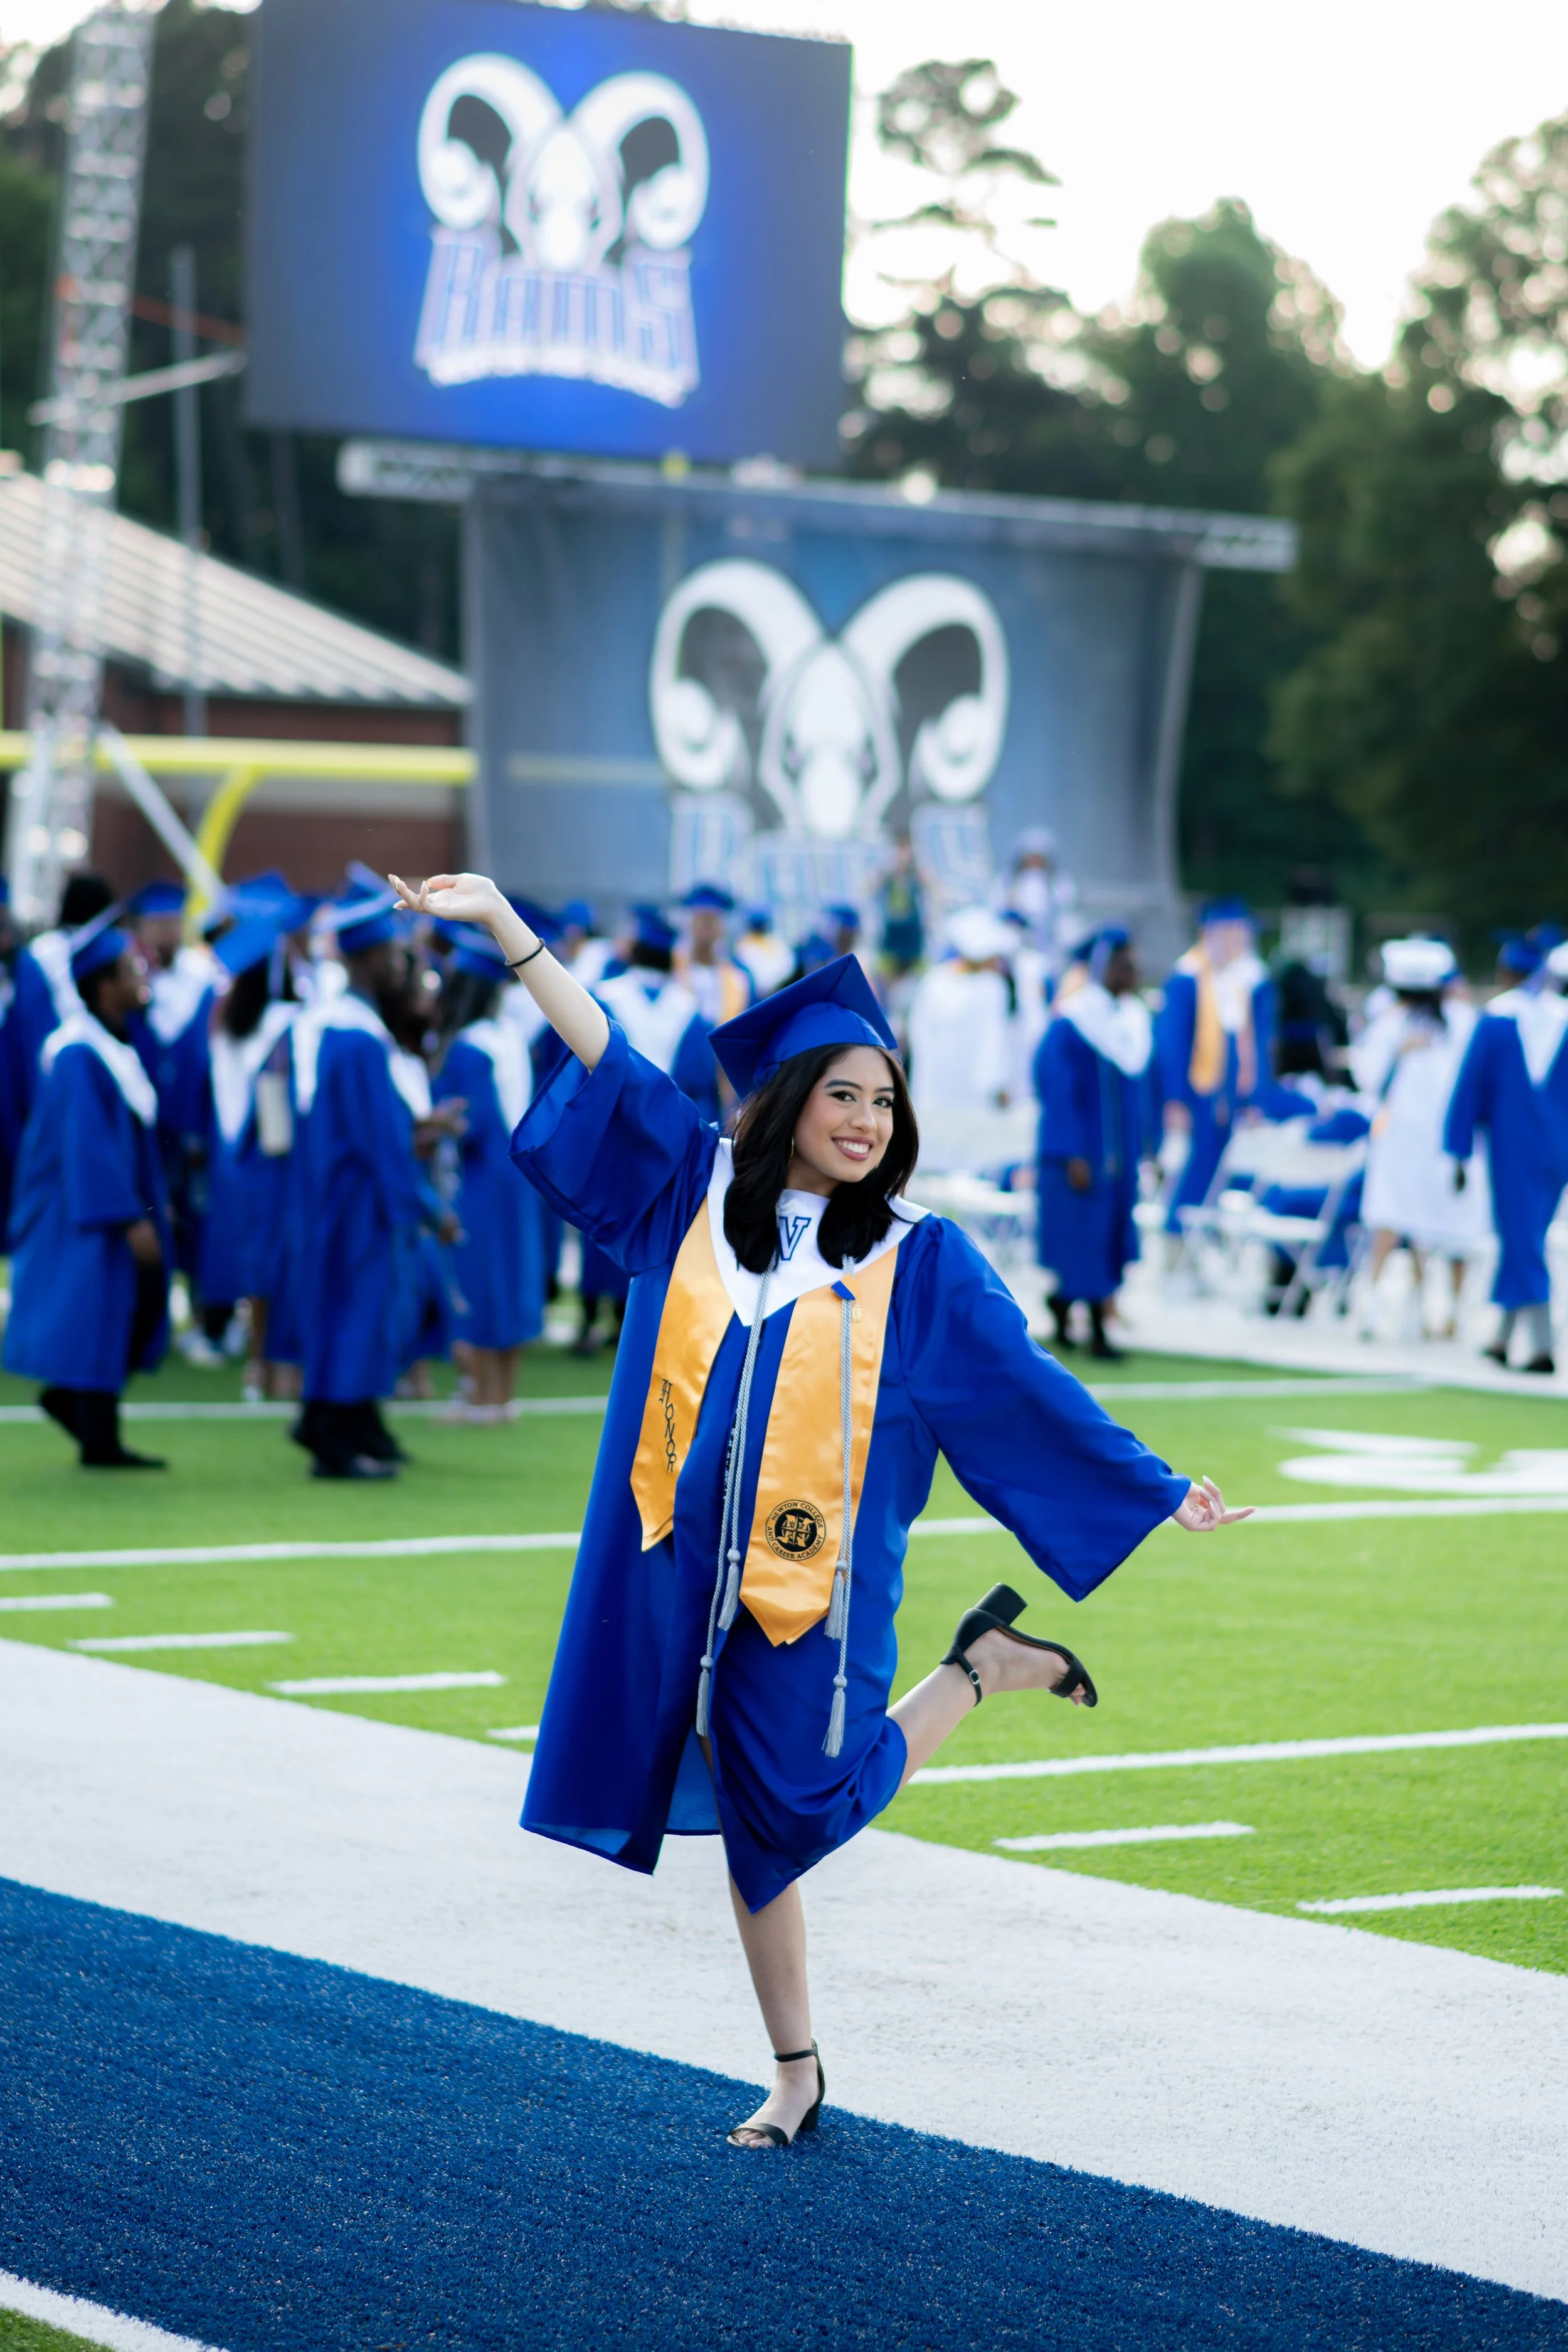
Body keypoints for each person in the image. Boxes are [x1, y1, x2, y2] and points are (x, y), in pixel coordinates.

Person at [390, 867, 1250, 2153]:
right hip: (678, 1571)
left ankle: (977, 1672)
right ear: (787, 1103)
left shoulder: (917, 1256)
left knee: (790, 1805)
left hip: (817, 1589)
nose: (864, 1117)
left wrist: (1150, 1483)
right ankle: (795, 2071)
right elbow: (608, 1059)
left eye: (883, 1099)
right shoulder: (693, 1197)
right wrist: (508, 928)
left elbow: (1025, 1389)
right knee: (749, 1827)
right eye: (841, 1093)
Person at [3, 919, 171, 1468]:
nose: (141, 975)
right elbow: (89, 1146)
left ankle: (84, 1417)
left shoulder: (110, 1045)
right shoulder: (78, 1053)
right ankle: (96, 1434)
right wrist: (130, 1217)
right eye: (130, 970)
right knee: (100, 1311)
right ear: (104, 987)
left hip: (101, 1205)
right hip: (80, 1209)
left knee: (119, 1311)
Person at [288, 885, 427, 1479]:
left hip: (338, 1196)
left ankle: (342, 1420)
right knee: (356, 1312)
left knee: (348, 1310)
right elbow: (380, 1140)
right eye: (394, 955)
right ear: (370, 960)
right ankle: (335, 1440)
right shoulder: (358, 1038)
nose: (400, 966)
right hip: (360, 1201)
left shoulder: (345, 1028)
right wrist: (420, 1205)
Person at [1350, 938, 1488, 1341]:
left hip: (1432, 1143)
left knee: (1431, 1224)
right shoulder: (1407, 1025)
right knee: (1408, 1221)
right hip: (1426, 1142)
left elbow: (1366, 1078)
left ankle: (1441, 1313)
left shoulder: (1437, 1023)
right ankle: (1427, 1312)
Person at [1443, 933, 1568, 1373]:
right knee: (1525, 1232)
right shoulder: (1561, 1020)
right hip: (1559, 1148)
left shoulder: (1498, 1019)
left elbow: (1471, 1085)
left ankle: (1542, 1344)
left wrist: (1456, 1150)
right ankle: (1503, 1337)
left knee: (1521, 1238)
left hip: (1513, 1144)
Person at [435, 927, 545, 1419]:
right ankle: (503, 1395)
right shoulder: (509, 1038)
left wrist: (434, 1121)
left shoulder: (469, 1046)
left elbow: (472, 1122)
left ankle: (481, 1395)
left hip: (482, 1174)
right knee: (511, 1275)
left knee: (481, 1276)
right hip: (517, 1173)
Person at [1034, 930, 1155, 1360]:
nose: (1134, 974)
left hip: (1120, 1155)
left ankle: (1065, 1307)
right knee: (1083, 1239)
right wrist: (1070, 1152)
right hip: (1083, 1157)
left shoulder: (1131, 1022)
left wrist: (1150, 1149)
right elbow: (1057, 1092)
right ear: (1105, 967)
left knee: (1108, 1239)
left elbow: (1144, 1094)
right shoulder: (1073, 1021)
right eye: (1126, 965)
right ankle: (1098, 1332)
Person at [202, 901, 305, 1401]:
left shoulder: (223, 1020)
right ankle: (279, 1365)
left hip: (234, 1155)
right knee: (282, 1262)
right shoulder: (285, 1023)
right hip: (274, 1156)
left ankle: (255, 1365)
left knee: (255, 1264)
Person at [1157, 899, 1276, 1235]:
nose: (1241, 942)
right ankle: (1176, 1240)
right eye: (1234, 934)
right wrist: (1174, 1099)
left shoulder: (1233, 981)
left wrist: (1251, 1098)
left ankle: (1196, 1240)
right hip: (1194, 1095)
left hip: (1223, 1098)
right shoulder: (1186, 979)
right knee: (1189, 1172)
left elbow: (1246, 1048)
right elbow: (1173, 1045)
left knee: (1214, 1174)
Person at [905, 904, 1015, 1172]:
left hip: (968, 1091)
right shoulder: (940, 982)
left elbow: (994, 1041)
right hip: (941, 1086)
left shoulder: (985, 986)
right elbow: (919, 1032)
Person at [675, 884, 755, 1029]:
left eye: (711, 921)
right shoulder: (672, 970)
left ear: (722, 927)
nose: (705, 929)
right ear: (690, 924)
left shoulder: (740, 975)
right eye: (700, 920)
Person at [734, 904, 794, 999]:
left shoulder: (775, 941)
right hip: (759, 996)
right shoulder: (744, 944)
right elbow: (748, 974)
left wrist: (780, 983)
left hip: (782, 989)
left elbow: (788, 965)